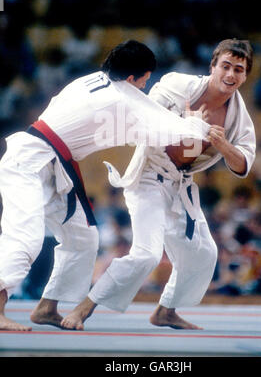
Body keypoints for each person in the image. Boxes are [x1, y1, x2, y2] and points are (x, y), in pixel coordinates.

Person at [0, 39, 209, 331]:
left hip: (54, 163)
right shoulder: (122, 98)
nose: (145, 88)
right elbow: (167, 126)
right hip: (29, 161)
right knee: (26, 236)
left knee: (83, 238)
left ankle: (47, 307)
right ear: (131, 77)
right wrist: (197, 124)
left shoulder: (92, 80)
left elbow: (144, 108)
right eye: (144, 81)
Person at [61, 38, 256, 331]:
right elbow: (138, 117)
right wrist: (186, 124)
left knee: (204, 253)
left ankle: (165, 311)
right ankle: (84, 308)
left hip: (182, 185)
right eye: (225, 66)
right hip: (150, 175)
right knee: (147, 254)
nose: (231, 75)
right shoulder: (178, 85)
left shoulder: (238, 118)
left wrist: (221, 143)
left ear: (245, 75)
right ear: (212, 66)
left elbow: (242, 162)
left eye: (239, 70)